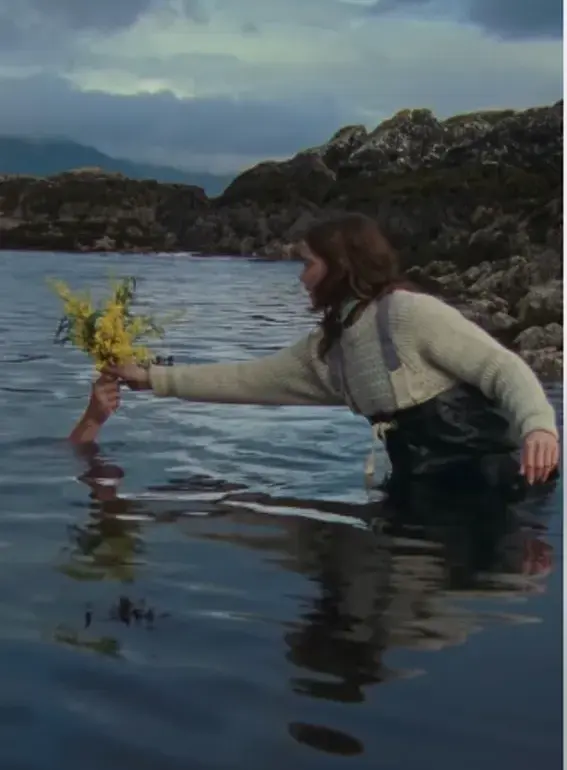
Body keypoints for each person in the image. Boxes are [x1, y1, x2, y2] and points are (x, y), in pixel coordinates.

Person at [100, 213, 560, 500]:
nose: (301, 277)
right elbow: (246, 378)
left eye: (308, 264)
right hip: (421, 487)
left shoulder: (408, 313)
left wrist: (539, 427)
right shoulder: (332, 345)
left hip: (502, 486)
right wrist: (149, 377)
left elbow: (503, 367)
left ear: (340, 266)